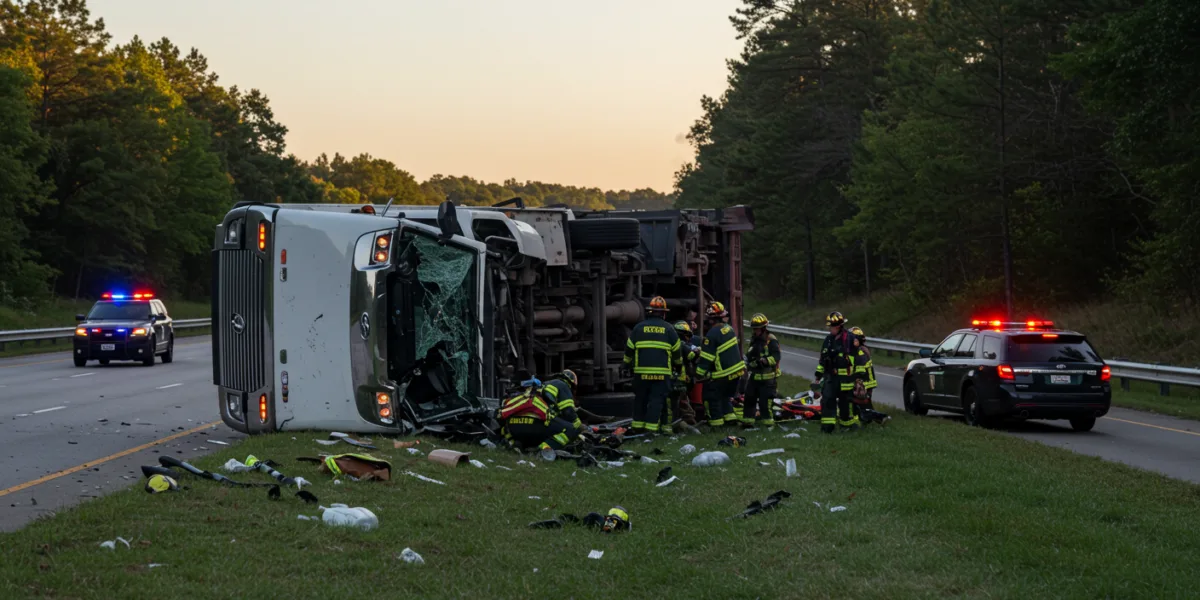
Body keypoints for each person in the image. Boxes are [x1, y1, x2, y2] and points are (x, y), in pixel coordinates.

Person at [623, 296, 683, 435]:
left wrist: (625, 365)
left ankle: (637, 427)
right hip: (662, 374)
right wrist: (678, 367)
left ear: (650, 311)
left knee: (640, 399)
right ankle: (650, 430)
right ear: (664, 313)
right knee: (656, 400)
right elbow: (677, 352)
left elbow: (629, 349)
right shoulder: (669, 329)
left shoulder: (638, 328)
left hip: (641, 373)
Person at [695, 301, 746, 429]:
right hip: (736, 373)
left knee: (712, 398)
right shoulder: (729, 328)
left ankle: (716, 425)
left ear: (711, 319)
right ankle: (730, 420)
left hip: (722, 374)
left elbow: (707, 358)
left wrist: (698, 373)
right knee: (725, 397)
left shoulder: (712, 334)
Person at [499, 378, 581, 453]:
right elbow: (568, 411)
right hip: (535, 422)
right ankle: (542, 451)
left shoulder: (521, 396)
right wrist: (579, 424)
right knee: (571, 429)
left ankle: (518, 445)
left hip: (513, 426)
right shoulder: (562, 385)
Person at [814, 311, 864, 433]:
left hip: (846, 379)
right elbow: (822, 359)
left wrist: (858, 379)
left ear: (838, 326)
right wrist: (818, 376)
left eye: (831, 327)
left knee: (845, 404)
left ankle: (847, 426)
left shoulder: (850, 339)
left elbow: (858, 359)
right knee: (827, 401)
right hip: (831, 377)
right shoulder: (828, 340)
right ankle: (827, 428)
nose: (829, 329)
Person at [742, 313, 781, 428]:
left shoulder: (771, 340)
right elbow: (751, 354)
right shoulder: (755, 339)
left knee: (765, 404)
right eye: (754, 329)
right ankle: (748, 424)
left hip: (768, 379)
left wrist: (765, 361)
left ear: (763, 328)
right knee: (749, 400)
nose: (755, 331)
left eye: (757, 329)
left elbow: (776, 357)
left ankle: (768, 426)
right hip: (754, 377)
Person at [850, 327, 891, 426]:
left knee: (862, 403)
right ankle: (876, 419)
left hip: (864, 383)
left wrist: (851, 379)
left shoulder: (860, 352)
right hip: (865, 382)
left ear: (858, 340)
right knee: (864, 404)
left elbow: (860, 370)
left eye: (852, 339)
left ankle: (879, 418)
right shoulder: (860, 350)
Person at [671, 320, 704, 425]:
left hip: (670, 377)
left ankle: (679, 421)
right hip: (680, 379)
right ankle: (690, 423)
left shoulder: (670, 343)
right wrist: (698, 351)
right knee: (683, 401)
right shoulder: (682, 344)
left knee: (676, 402)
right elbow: (691, 356)